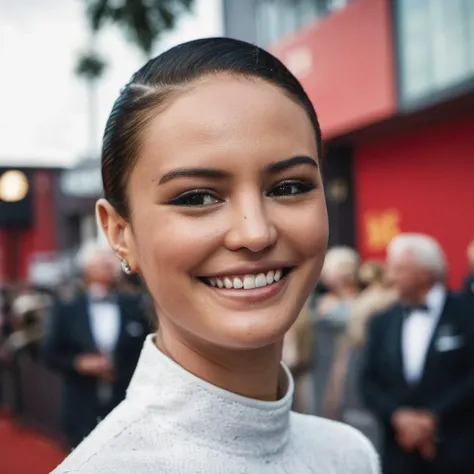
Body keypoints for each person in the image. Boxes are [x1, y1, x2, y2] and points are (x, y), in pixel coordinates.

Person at [52, 37, 379, 473]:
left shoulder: (349, 456)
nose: (255, 233)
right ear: (119, 232)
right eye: (197, 196)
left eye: (289, 187)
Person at [360, 233, 474, 474]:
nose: (390, 278)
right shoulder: (381, 321)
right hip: (399, 454)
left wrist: (434, 418)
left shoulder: (467, 312)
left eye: (399, 269)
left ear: (425, 273)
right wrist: (398, 417)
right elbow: (367, 381)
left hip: (458, 452)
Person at [43, 241, 150, 449]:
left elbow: (147, 348)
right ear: (88, 269)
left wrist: (118, 368)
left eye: (111, 263)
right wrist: (80, 363)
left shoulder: (134, 306)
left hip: (126, 406)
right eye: (102, 263)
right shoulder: (67, 309)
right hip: (81, 406)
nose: (109, 268)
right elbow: (50, 354)